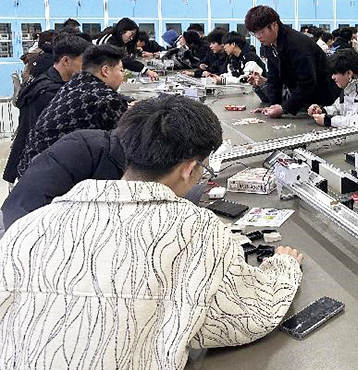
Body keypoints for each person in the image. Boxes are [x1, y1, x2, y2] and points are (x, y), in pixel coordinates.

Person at [0, 95, 305, 369]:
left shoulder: (30, 227)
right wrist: (283, 266)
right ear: (189, 168)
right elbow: (245, 318)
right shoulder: (197, 231)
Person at [16, 44, 130, 178]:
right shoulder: (108, 100)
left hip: (31, 168)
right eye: (121, 70)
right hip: (56, 178)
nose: (123, 76)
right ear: (105, 71)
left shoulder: (73, 84)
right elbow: (127, 141)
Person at [3, 34, 90, 184]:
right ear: (66, 61)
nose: (86, 68)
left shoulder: (48, 80)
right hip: (37, 167)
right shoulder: (49, 93)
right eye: (83, 62)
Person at [244, 6, 336, 118]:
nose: (258, 37)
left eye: (261, 32)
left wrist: (284, 108)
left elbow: (307, 81)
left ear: (274, 26)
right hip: (302, 101)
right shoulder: (269, 44)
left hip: (323, 100)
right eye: (255, 33)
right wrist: (273, 106)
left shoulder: (297, 44)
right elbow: (274, 78)